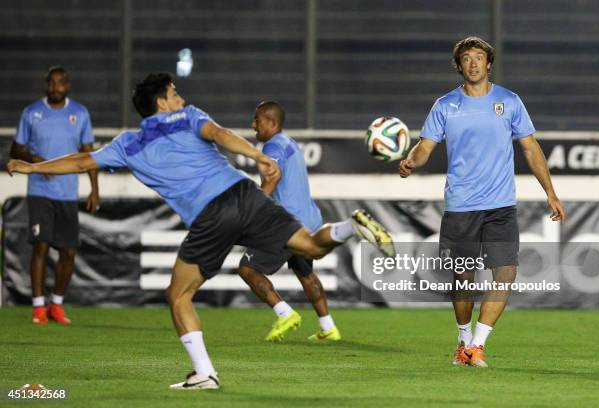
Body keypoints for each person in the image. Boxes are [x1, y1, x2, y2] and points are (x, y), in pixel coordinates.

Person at [8, 73, 394, 390]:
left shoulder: (128, 144)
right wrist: (258, 156)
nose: (180, 97)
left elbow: (80, 161)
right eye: (174, 93)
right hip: (244, 192)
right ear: (160, 102)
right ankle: (350, 227)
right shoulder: (189, 116)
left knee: (178, 294)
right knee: (310, 246)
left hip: (212, 214)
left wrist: (30, 168)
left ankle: (204, 373)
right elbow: (221, 134)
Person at [399, 37, 565, 368]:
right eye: (466, 58)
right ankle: (463, 338)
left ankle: (477, 345)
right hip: (461, 206)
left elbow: (531, 149)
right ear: (458, 65)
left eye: (479, 58)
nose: (473, 63)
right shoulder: (445, 105)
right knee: (463, 280)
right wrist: (411, 160)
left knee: (506, 274)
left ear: (489, 64)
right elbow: (425, 147)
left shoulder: (510, 101)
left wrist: (550, 191)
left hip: (501, 206)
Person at [238, 101, 340, 342]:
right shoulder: (288, 142)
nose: (253, 125)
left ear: (272, 123)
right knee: (305, 273)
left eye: (257, 120)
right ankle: (328, 327)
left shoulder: (273, 146)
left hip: (288, 223)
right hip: (309, 219)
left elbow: (273, 177)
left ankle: (284, 313)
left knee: (248, 268)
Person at [10, 66, 99, 325]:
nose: (56, 87)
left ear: (67, 85)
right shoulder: (31, 113)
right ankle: (38, 307)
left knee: (69, 252)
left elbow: (88, 153)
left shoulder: (79, 113)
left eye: (61, 83)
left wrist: (95, 189)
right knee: (41, 246)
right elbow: (16, 149)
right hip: (39, 190)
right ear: (46, 84)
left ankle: (56, 304)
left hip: (68, 193)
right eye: (52, 82)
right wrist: (34, 160)